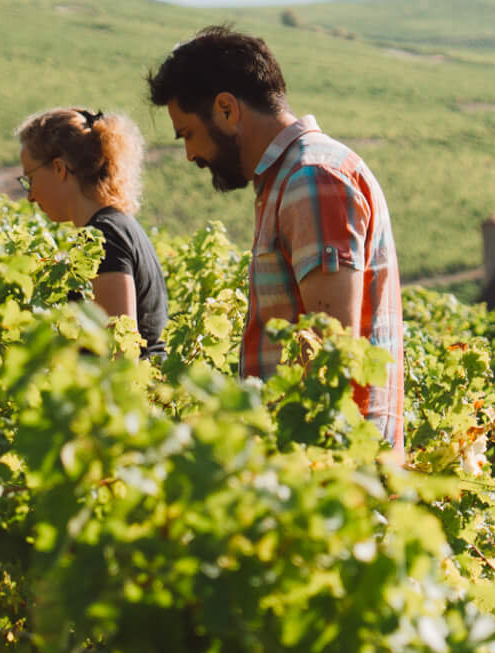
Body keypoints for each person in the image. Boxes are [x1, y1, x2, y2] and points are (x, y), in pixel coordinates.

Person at [146, 26, 404, 446]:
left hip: (330, 475)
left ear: (226, 109)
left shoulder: (311, 180)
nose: (190, 154)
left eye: (188, 134)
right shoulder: (291, 179)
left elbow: (330, 357)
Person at [17, 107, 169, 359]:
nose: (30, 196)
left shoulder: (105, 237)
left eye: (30, 179)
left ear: (59, 168)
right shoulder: (117, 227)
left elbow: (118, 353)